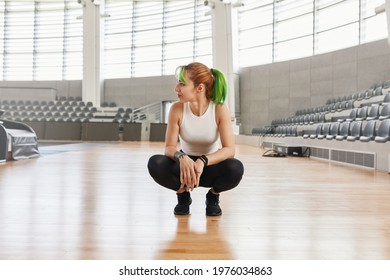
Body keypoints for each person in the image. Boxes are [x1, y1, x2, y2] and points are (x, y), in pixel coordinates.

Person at [147, 62, 244, 216]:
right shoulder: (176, 109)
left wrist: (203, 160)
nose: (176, 89)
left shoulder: (219, 109)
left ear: (199, 88)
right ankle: (183, 195)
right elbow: (169, 148)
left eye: (182, 84)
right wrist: (182, 157)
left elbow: (229, 150)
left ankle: (213, 196)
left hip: (209, 164)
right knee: (155, 163)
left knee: (235, 168)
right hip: (184, 167)